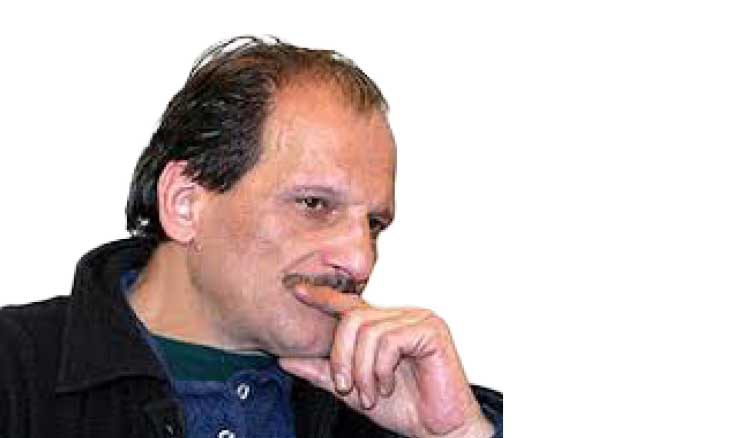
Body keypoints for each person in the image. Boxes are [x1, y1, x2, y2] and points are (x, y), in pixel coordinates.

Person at [0, 36, 502, 438]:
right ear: (185, 204)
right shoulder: (15, 373)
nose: (360, 260)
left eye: (374, 224)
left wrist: (460, 432)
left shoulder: (400, 406)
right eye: (314, 205)